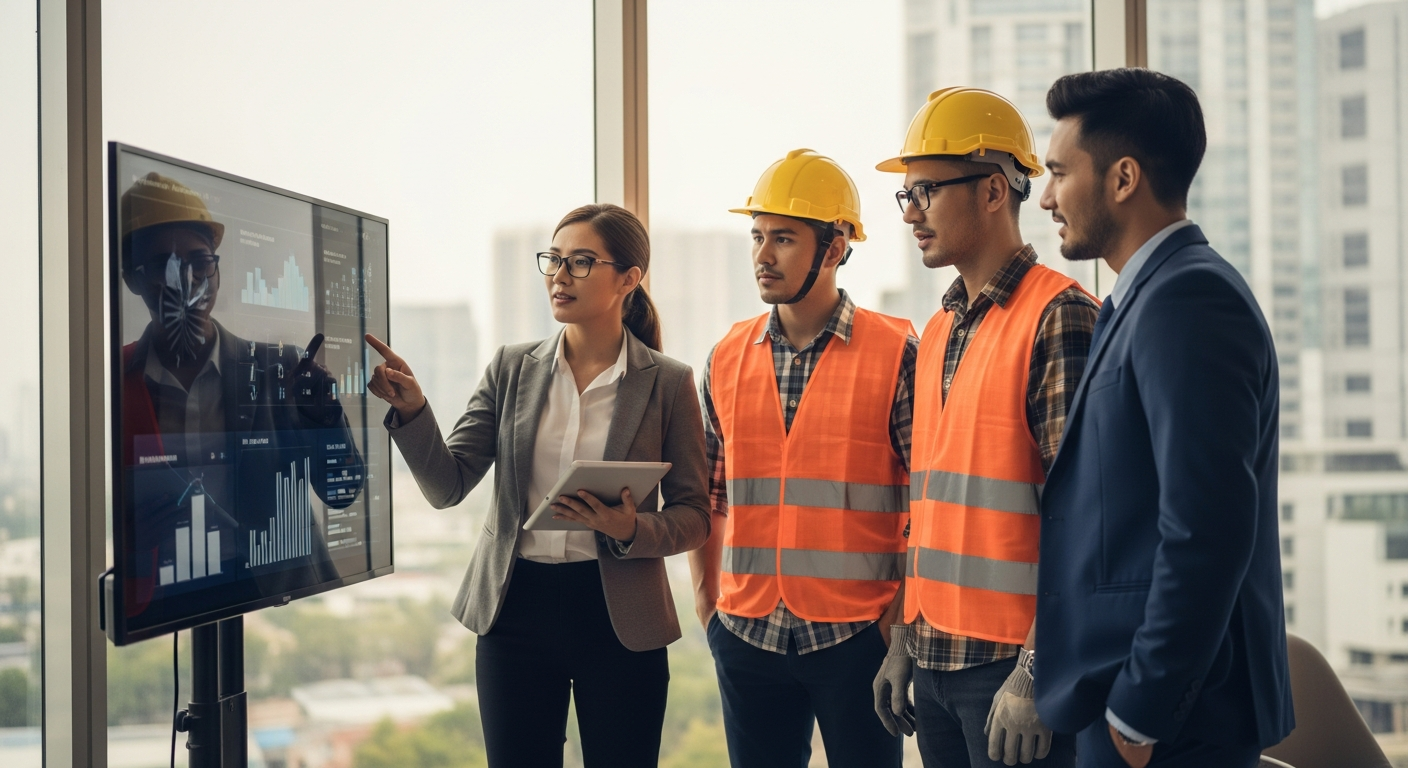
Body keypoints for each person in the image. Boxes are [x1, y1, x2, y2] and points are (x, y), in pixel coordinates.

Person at [366, 203, 710, 768]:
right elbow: (446, 486)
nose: (559, 275)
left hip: (619, 613)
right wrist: (414, 411)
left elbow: (694, 514)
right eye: (553, 260)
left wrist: (631, 528)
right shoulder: (512, 368)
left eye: (580, 262)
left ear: (630, 279)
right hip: (514, 609)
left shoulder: (668, 383)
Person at [1034, 69, 1294, 768]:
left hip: (1170, 720)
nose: (1047, 196)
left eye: (1060, 172)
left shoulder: (1189, 300)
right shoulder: (1144, 297)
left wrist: (1139, 712)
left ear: (1123, 178)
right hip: (1129, 700)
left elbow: (1207, 528)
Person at [872, 88, 1097, 767]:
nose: (912, 214)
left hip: (1010, 670)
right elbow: (931, 503)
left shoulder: (1060, 317)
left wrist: (1038, 669)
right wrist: (905, 639)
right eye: (905, 196)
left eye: (928, 192)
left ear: (994, 190)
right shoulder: (939, 329)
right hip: (936, 662)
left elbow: (1085, 517)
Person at [688, 148, 918, 768]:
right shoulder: (725, 355)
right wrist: (710, 605)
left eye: (784, 239)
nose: (763, 256)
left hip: (857, 637)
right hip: (746, 634)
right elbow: (709, 496)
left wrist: (895, 624)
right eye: (758, 237)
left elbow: (929, 503)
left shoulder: (898, 352)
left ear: (836, 244)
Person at [118, 172, 361, 615]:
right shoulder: (116, 380)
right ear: (132, 279)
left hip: (276, 594)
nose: (185, 279)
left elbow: (343, 492)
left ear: (216, 270)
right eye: (163, 264)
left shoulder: (280, 369)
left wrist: (325, 419)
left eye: (198, 261)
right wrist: (129, 534)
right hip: (168, 593)